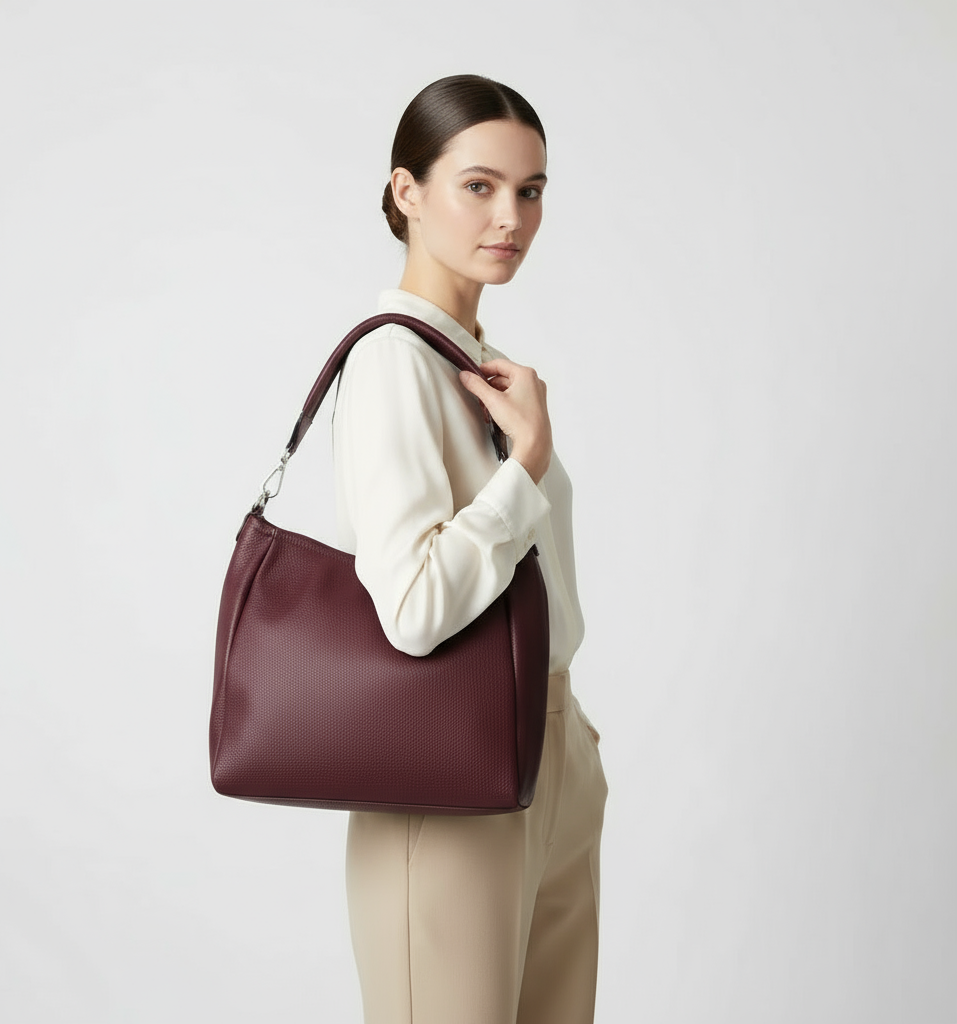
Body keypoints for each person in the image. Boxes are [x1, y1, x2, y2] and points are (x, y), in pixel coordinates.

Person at [331, 74, 609, 1024]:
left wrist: (572, 745)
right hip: (451, 775)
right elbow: (413, 612)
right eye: (479, 186)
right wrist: (523, 466)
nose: (511, 217)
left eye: (530, 190)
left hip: (549, 754)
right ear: (407, 191)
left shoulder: (480, 367)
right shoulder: (391, 362)